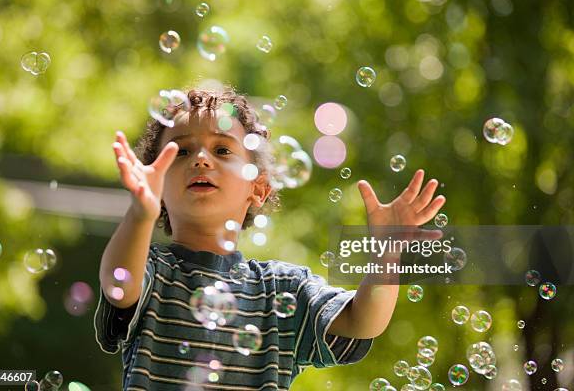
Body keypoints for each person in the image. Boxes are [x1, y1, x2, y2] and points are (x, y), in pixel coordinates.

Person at [94, 88, 445, 390]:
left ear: (258, 188)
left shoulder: (283, 288)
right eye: (181, 151)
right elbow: (119, 285)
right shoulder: (151, 269)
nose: (200, 159)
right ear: (159, 183)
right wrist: (141, 212)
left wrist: (388, 251)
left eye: (222, 150)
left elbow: (362, 322)